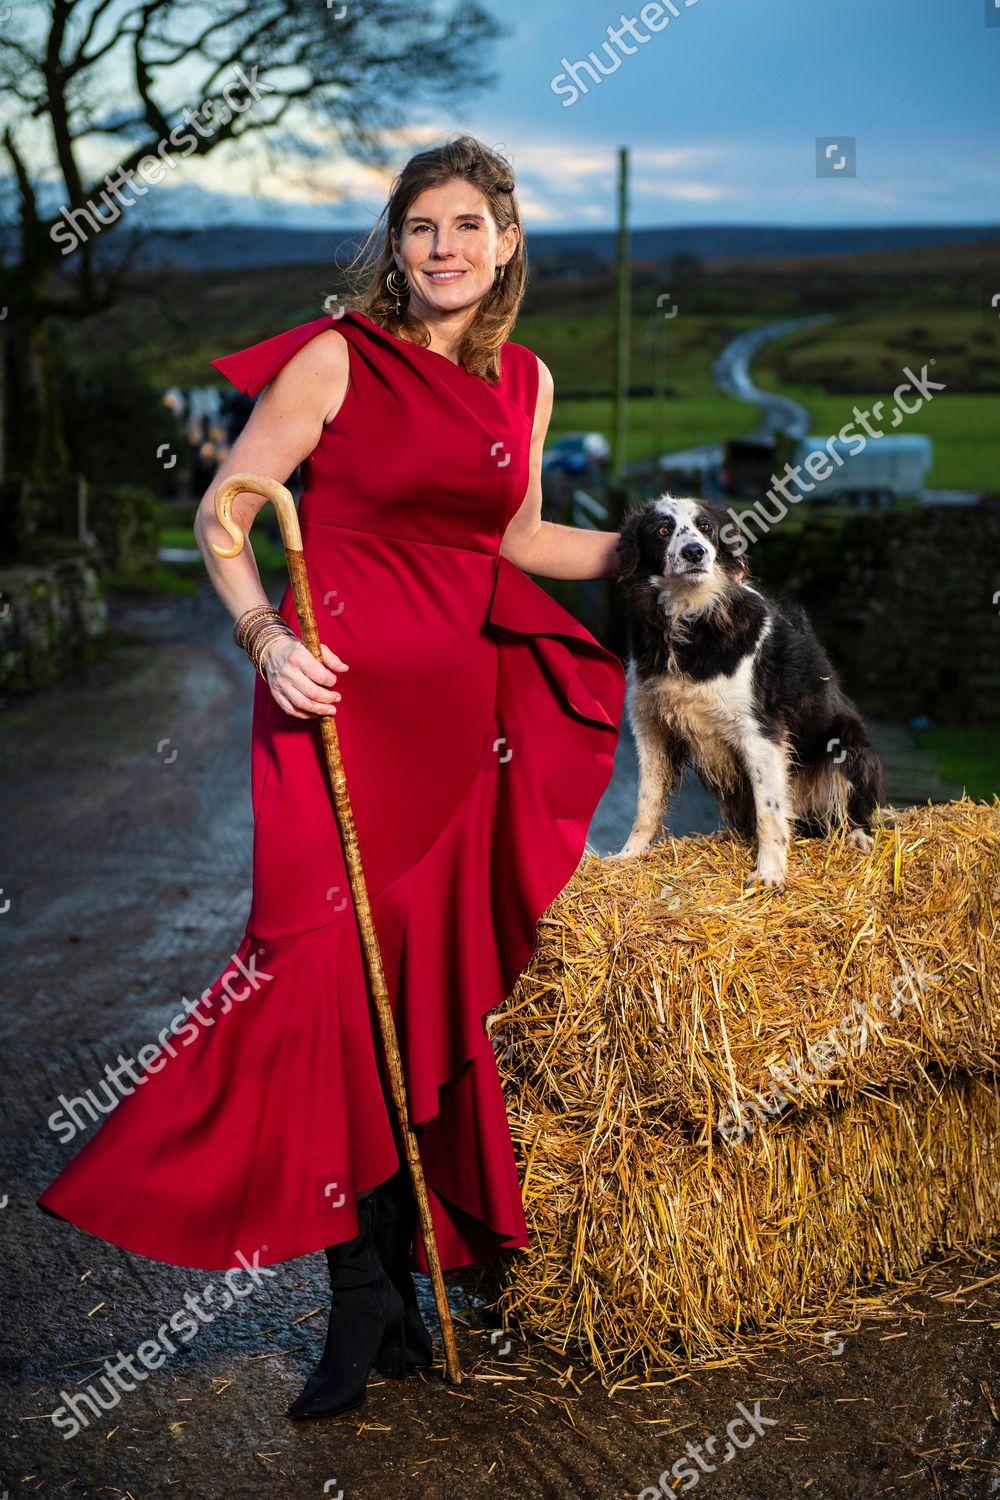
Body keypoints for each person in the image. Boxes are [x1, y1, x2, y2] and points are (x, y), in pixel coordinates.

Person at [36, 135, 627, 1421]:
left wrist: (659, 550)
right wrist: (263, 635)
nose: (445, 249)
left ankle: (406, 1287)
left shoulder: (521, 380)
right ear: (395, 242)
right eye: (422, 227)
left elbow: (519, 537)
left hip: (466, 730)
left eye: (470, 225)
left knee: (419, 995)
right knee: (317, 979)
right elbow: (228, 510)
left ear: (508, 241)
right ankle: (355, 1291)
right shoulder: (336, 357)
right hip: (331, 717)